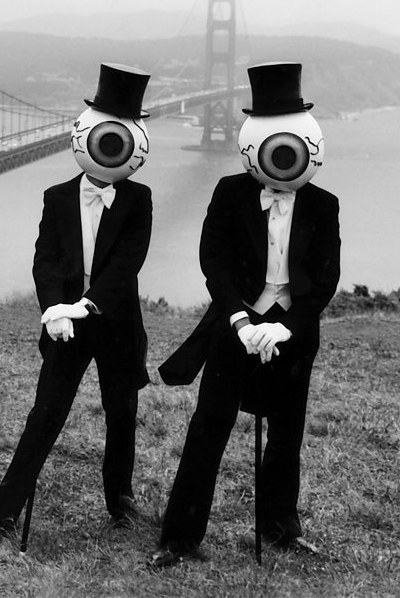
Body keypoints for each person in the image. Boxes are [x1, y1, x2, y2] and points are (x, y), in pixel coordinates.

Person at [149, 61, 340, 568]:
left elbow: (325, 281)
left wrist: (285, 326)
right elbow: (213, 262)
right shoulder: (230, 192)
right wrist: (240, 320)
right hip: (234, 328)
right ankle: (179, 538)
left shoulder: (324, 205)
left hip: (292, 334)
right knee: (208, 428)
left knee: (287, 435)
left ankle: (281, 529)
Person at [0, 63, 154, 546]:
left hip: (115, 322)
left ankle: (120, 504)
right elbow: (46, 261)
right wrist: (55, 309)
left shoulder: (139, 199)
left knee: (121, 414)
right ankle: (4, 514)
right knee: (45, 415)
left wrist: (85, 305)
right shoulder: (56, 197)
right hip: (64, 324)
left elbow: (127, 266)